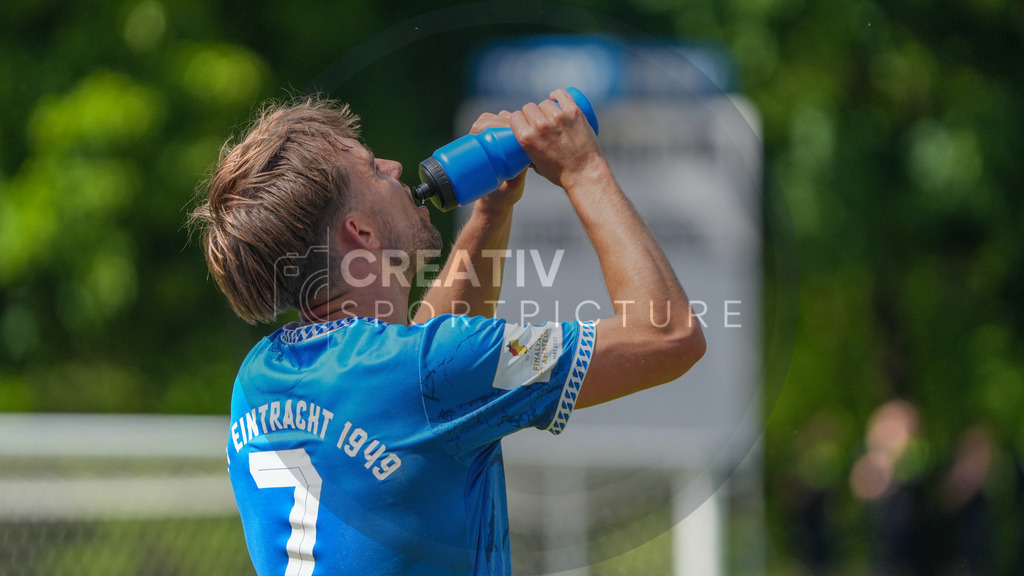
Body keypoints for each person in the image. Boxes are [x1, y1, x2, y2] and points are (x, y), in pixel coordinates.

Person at [190, 89, 705, 576]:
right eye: (373, 168)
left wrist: (492, 208)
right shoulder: (425, 371)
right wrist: (583, 168)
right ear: (361, 232)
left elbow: (419, 379)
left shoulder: (258, 377)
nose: (395, 167)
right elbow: (668, 336)